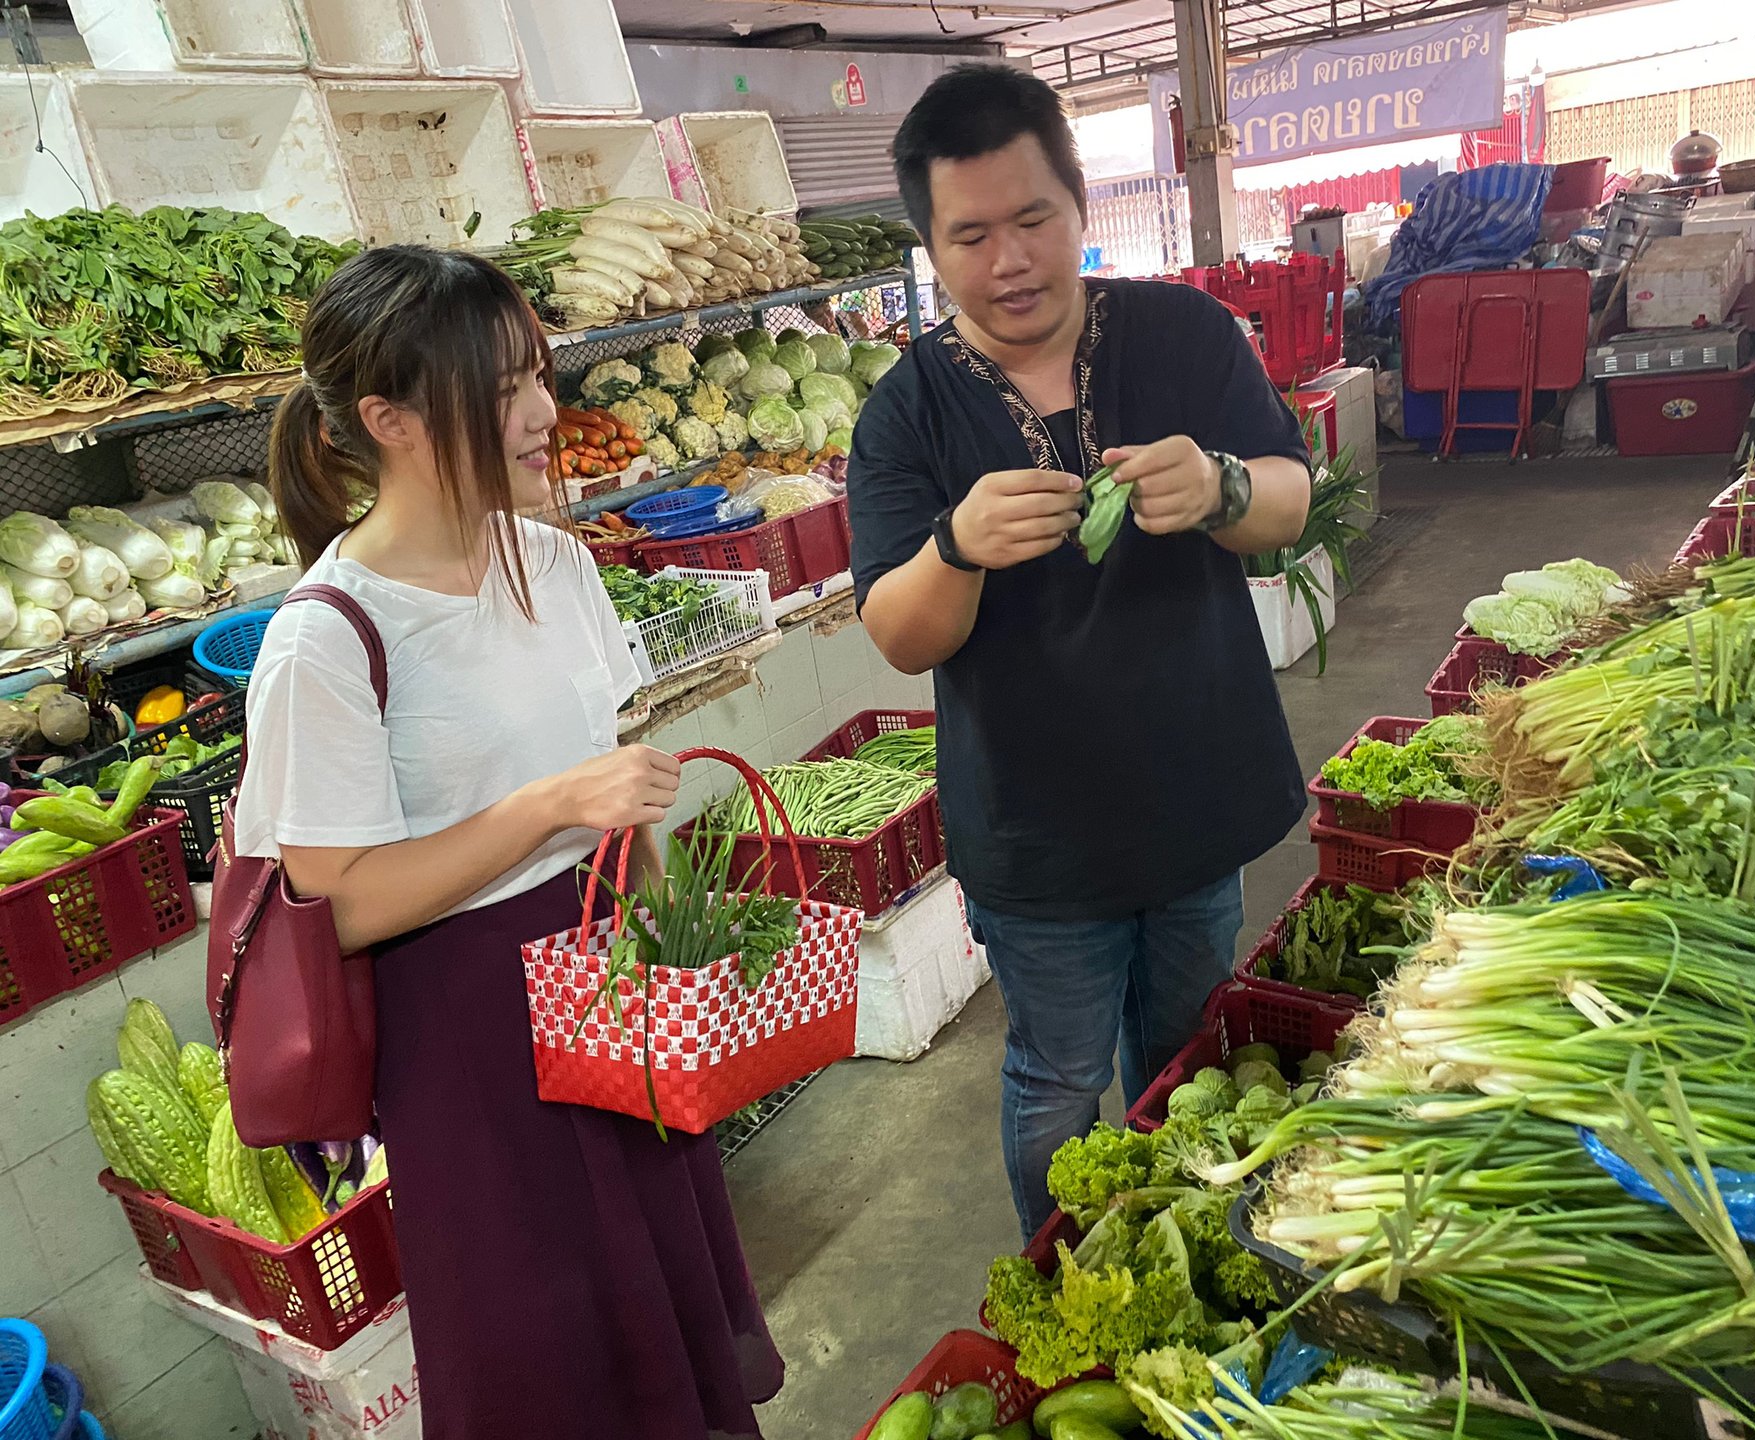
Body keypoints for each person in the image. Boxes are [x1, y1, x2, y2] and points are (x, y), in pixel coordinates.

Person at [231, 246, 781, 1439]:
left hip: (610, 980)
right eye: (502, 391)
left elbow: (614, 777)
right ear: (390, 421)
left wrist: (667, 934)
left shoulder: (556, 562)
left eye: (537, 374)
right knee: (547, 1343)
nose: (545, 413)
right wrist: (546, 806)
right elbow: (348, 902)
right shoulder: (328, 641)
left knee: (663, 1300)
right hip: (470, 1031)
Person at [848, 65, 1315, 1240]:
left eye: (1033, 219)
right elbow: (900, 635)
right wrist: (956, 548)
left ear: (1079, 206)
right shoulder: (906, 414)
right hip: (1039, 838)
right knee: (1059, 1085)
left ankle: (1191, 1261)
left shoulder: (1185, 334)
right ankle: (1068, 1283)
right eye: (970, 236)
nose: (1009, 260)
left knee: (1188, 1059)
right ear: (931, 247)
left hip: (1194, 798)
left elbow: (1291, 504)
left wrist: (1220, 486)